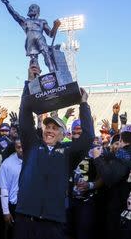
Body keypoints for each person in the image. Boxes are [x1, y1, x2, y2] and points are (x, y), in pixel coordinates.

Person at [13, 64, 93, 239]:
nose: (49, 130)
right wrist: (30, 83)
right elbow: (25, 114)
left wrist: (84, 104)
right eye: (47, 126)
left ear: (62, 134)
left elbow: (88, 138)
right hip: (25, 218)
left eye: (55, 128)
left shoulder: (68, 152)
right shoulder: (32, 145)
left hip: (53, 221)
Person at [91, 124, 131, 239]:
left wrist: (97, 158)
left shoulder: (124, 153)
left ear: (121, 139)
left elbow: (110, 177)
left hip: (120, 204)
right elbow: (117, 155)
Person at [0, 138, 23, 239]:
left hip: (31, 205)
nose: (21, 149)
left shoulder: (36, 161)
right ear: (15, 147)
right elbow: (4, 188)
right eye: (18, 147)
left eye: (23, 146)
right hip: (15, 206)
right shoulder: (7, 164)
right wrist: (6, 211)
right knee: (14, 234)